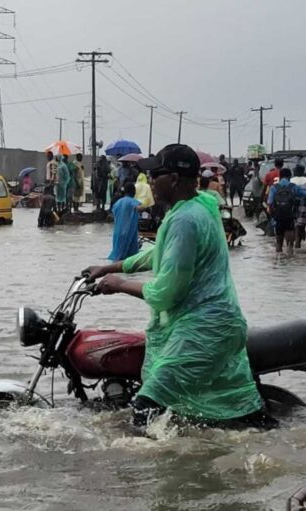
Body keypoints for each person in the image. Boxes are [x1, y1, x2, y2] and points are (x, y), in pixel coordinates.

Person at [86, 143, 271, 429]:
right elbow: (161, 251)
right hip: (215, 325)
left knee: (148, 405)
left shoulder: (185, 219)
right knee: (234, 409)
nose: (148, 182)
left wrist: (119, 285)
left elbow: (166, 292)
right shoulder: (201, 205)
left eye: (155, 175)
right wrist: (109, 267)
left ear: (173, 179)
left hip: (201, 330)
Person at [268, 167, 306, 255]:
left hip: (278, 217)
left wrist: (273, 217)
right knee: (290, 246)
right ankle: (290, 264)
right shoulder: (293, 186)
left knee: (278, 245)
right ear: (289, 176)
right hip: (290, 217)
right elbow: (304, 195)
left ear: (280, 176)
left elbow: (269, 203)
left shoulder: (274, 187)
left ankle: (280, 262)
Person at [109, 183, 142, 261]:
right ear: (134, 192)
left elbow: (113, 214)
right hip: (129, 232)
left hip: (117, 232)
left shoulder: (117, 203)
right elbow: (139, 208)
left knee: (117, 255)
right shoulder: (133, 201)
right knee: (131, 258)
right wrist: (147, 207)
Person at [291, 165, 306, 248]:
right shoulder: (305, 180)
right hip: (304, 205)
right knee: (301, 224)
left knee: (296, 224)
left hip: (294, 205)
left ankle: (297, 242)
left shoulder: (292, 180)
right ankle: (299, 239)